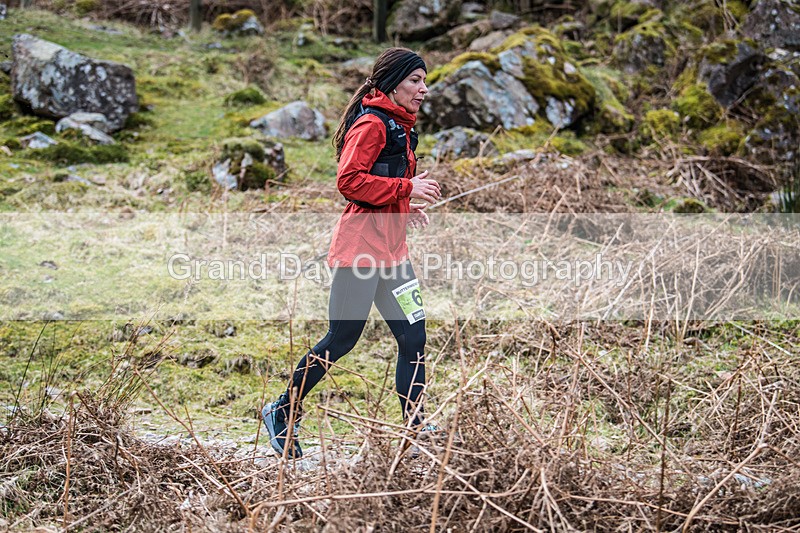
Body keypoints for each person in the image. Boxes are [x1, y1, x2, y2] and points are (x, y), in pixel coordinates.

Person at [261, 48, 442, 458]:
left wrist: (405, 208)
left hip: (393, 252)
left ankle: (415, 430)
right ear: (393, 82)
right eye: (415, 80)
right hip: (360, 251)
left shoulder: (401, 126)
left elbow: (379, 186)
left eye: (424, 81)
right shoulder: (373, 124)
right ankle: (282, 409)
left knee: (414, 336)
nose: (423, 89)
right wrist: (405, 190)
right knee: (342, 338)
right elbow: (349, 181)